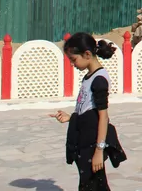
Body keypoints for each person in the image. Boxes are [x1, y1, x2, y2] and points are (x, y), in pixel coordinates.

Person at [49, 33, 126, 191]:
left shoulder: (99, 80)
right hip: (84, 140)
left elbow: (103, 117)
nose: (72, 64)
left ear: (87, 54)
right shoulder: (89, 77)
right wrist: (71, 118)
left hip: (92, 144)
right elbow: (89, 111)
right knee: (94, 185)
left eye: (73, 59)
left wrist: (99, 150)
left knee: (91, 185)